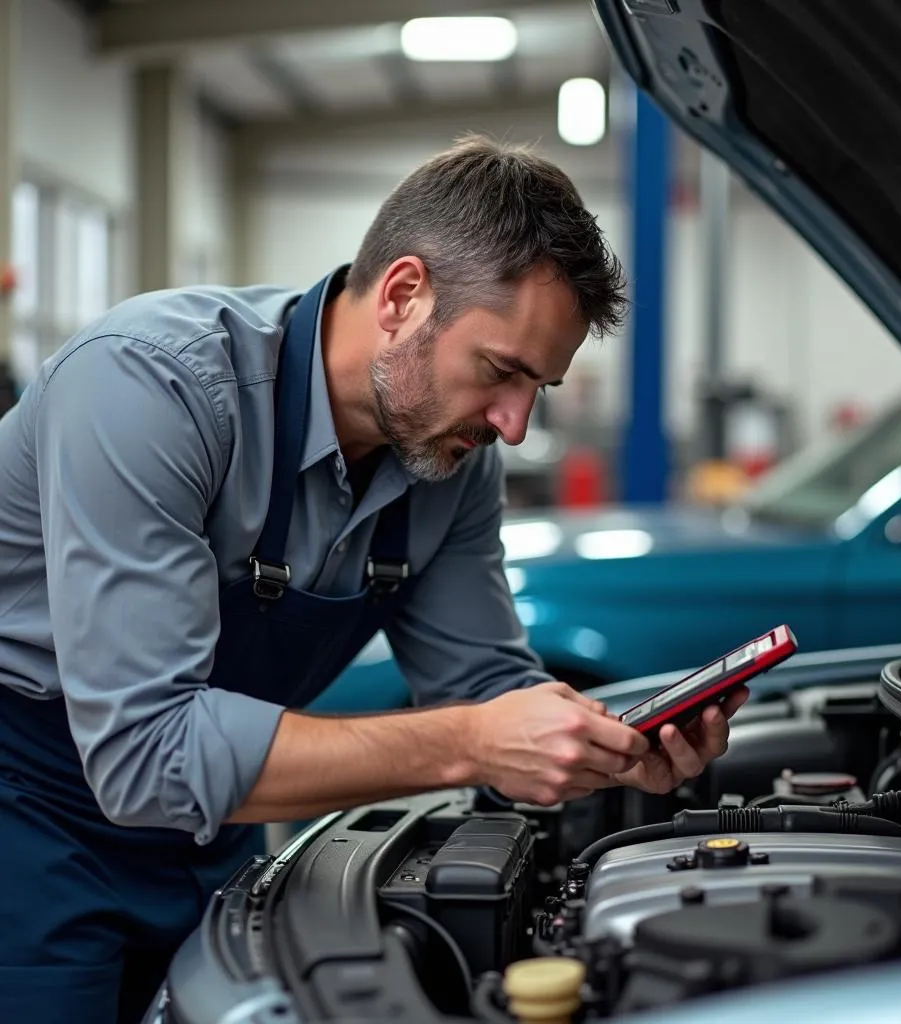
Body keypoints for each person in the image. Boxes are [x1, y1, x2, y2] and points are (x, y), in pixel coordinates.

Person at [0, 134, 746, 1023]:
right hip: (30, 820)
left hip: (217, 829)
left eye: (537, 389)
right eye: (502, 371)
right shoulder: (150, 387)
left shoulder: (451, 462)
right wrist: (467, 742)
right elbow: (145, 752)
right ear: (402, 296)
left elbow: (484, 686)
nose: (513, 426)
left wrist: (604, 748)